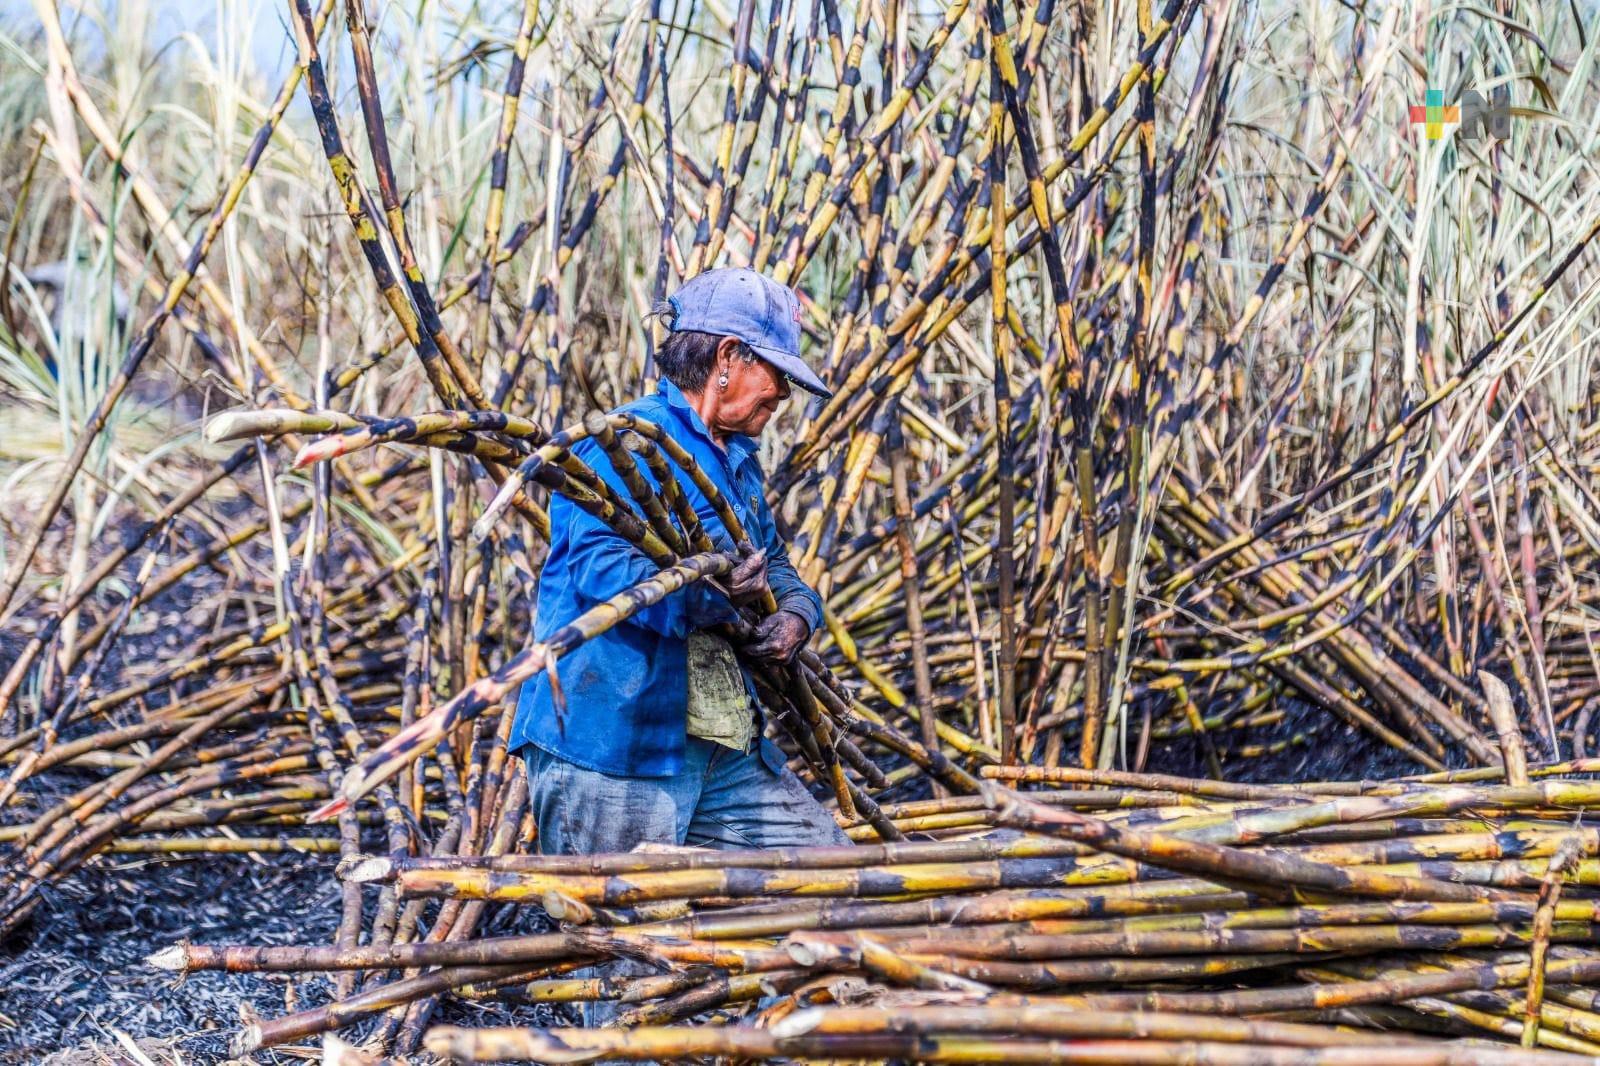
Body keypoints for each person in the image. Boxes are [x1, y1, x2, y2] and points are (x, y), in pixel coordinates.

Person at [510, 267, 850, 857]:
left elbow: (778, 565)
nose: (784, 395)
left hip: (720, 749)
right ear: (728, 358)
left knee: (833, 879)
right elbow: (599, 569)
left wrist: (796, 615)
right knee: (627, 942)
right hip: (613, 743)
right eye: (776, 374)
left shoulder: (736, 459)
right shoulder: (628, 442)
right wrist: (706, 593)